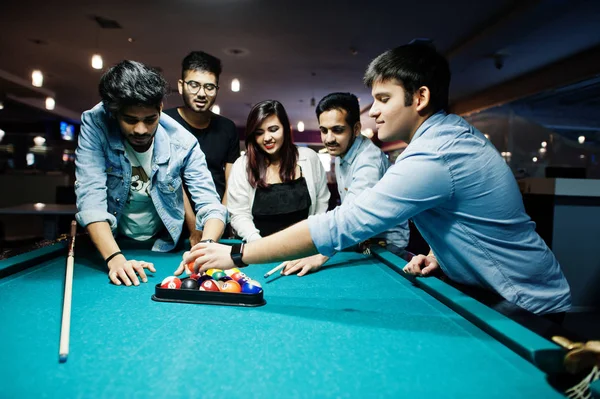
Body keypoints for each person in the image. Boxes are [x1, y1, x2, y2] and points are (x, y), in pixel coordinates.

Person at [182, 43, 571, 316]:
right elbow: (471, 214)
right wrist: (443, 256)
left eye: (383, 99)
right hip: (504, 289)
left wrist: (237, 255)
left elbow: (344, 223)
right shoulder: (447, 135)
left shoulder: (433, 153)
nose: (375, 113)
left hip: (525, 301)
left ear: (418, 98)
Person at [75, 60, 226, 287]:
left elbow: (210, 204)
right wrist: (115, 258)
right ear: (114, 113)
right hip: (109, 242)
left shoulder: (184, 143)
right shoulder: (96, 123)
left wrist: (207, 247)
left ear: (161, 108)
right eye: (130, 120)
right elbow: (90, 197)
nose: (141, 130)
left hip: (162, 243)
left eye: (150, 119)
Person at [282, 92, 410, 277]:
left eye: (338, 130)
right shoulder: (342, 152)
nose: (328, 138)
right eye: (324, 130)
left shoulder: (368, 161)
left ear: (356, 128)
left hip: (385, 247)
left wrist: (320, 254)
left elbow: (352, 218)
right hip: (361, 240)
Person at [164, 51, 239, 245]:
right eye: (194, 85)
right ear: (181, 86)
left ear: (217, 89)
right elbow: (172, 179)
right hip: (174, 225)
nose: (201, 93)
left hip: (216, 224)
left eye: (209, 87)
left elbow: (231, 183)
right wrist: (195, 228)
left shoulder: (228, 128)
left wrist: (219, 222)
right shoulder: (165, 122)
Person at [227, 100, 330, 242]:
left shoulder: (309, 158)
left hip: (304, 247)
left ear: (286, 128)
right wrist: (260, 246)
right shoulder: (242, 165)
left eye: (273, 129)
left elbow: (321, 202)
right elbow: (239, 215)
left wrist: (312, 240)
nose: (267, 138)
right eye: (259, 133)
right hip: (258, 250)